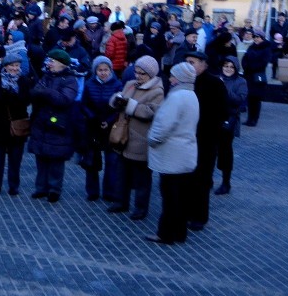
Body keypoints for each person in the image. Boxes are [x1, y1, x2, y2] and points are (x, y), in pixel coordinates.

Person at [144, 62, 199, 245]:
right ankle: (180, 233)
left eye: (173, 75)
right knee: (182, 197)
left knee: (170, 198)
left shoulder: (176, 97)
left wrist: (152, 139)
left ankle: (165, 234)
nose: (170, 78)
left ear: (180, 78)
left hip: (171, 155)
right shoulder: (191, 95)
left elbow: (163, 125)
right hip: (185, 154)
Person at [111, 55, 165, 220]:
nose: (138, 76)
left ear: (151, 74)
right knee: (122, 173)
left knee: (142, 178)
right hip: (124, 137)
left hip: (141, 139)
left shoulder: (157, 91)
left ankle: (140, 208)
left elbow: (151, 112)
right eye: (137, 72)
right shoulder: (130, 84)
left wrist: (129, 105)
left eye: (142, 73)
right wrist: (116, 101)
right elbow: (120, 98)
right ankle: (121, 202)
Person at [183, 50, 228, 231]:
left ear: (203, 64)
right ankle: (185, 211)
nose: (188, 65)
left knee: (201, 179)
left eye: (192, 62)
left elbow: (222, 112)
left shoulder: (215, 84)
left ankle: (199, 217)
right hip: (186, 139)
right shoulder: (185, 83)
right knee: (186, 177)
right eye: (186, 62)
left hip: (205, 140)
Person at [28, 49, 80, 203]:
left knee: (56, 160)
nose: (48, 64)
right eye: (48, 61)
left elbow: (64, 100)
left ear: (61, 64)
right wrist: (44, 93)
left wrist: (46, 92)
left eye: (52, 61)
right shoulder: (46, 76)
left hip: (59, 125)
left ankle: (54, 189)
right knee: (41, 157)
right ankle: (41, 188)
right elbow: (35, 92)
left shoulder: (70, 80)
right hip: (41, 122)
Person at [0, 53, 33, 196]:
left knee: (15, 160)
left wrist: (14, 97)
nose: (14, 68)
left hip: (16, 126)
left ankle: (13, 186)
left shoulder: (24, 81)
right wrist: (4, 95)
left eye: (17, 65)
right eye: (11, 65)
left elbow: (27, 100)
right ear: (5, 66)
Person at [81, 56, 123, 203]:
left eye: (106, 70)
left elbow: (119, 107)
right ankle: (92, 191)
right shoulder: (89, 84)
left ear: (110, 70)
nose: (103, 73)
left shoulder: (117, 84)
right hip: (93, 127)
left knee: (111, 161)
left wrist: (109, 121)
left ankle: (109, 191)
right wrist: (93, 118)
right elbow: (84, 104)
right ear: (95, 71)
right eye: (100, 70)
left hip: (111, 127)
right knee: (92, 160)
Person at [215, 57, 248, 194]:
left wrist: (224, 88)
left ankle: (226, 182)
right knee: (210, 151)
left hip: (229, 120)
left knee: (225, 152)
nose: (228, 69)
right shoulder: (216, 78)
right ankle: (207, 179)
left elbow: (239, 100)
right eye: (225, 66)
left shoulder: (241, 81)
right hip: (213, 119)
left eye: (231, 67)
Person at [241, 30, 271, 126]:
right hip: (249, 75)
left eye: (258, 37)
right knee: (250, 98)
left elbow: (263, 62)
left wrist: (251, 67)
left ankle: (254, 119)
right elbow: (245, 58)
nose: (256, 39)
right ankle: (249, 119)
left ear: (262, 38)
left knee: (256, 98)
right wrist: (246, 66)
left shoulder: (266, 48)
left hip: (258, 76)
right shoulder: (252, 47)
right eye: (255, 37)